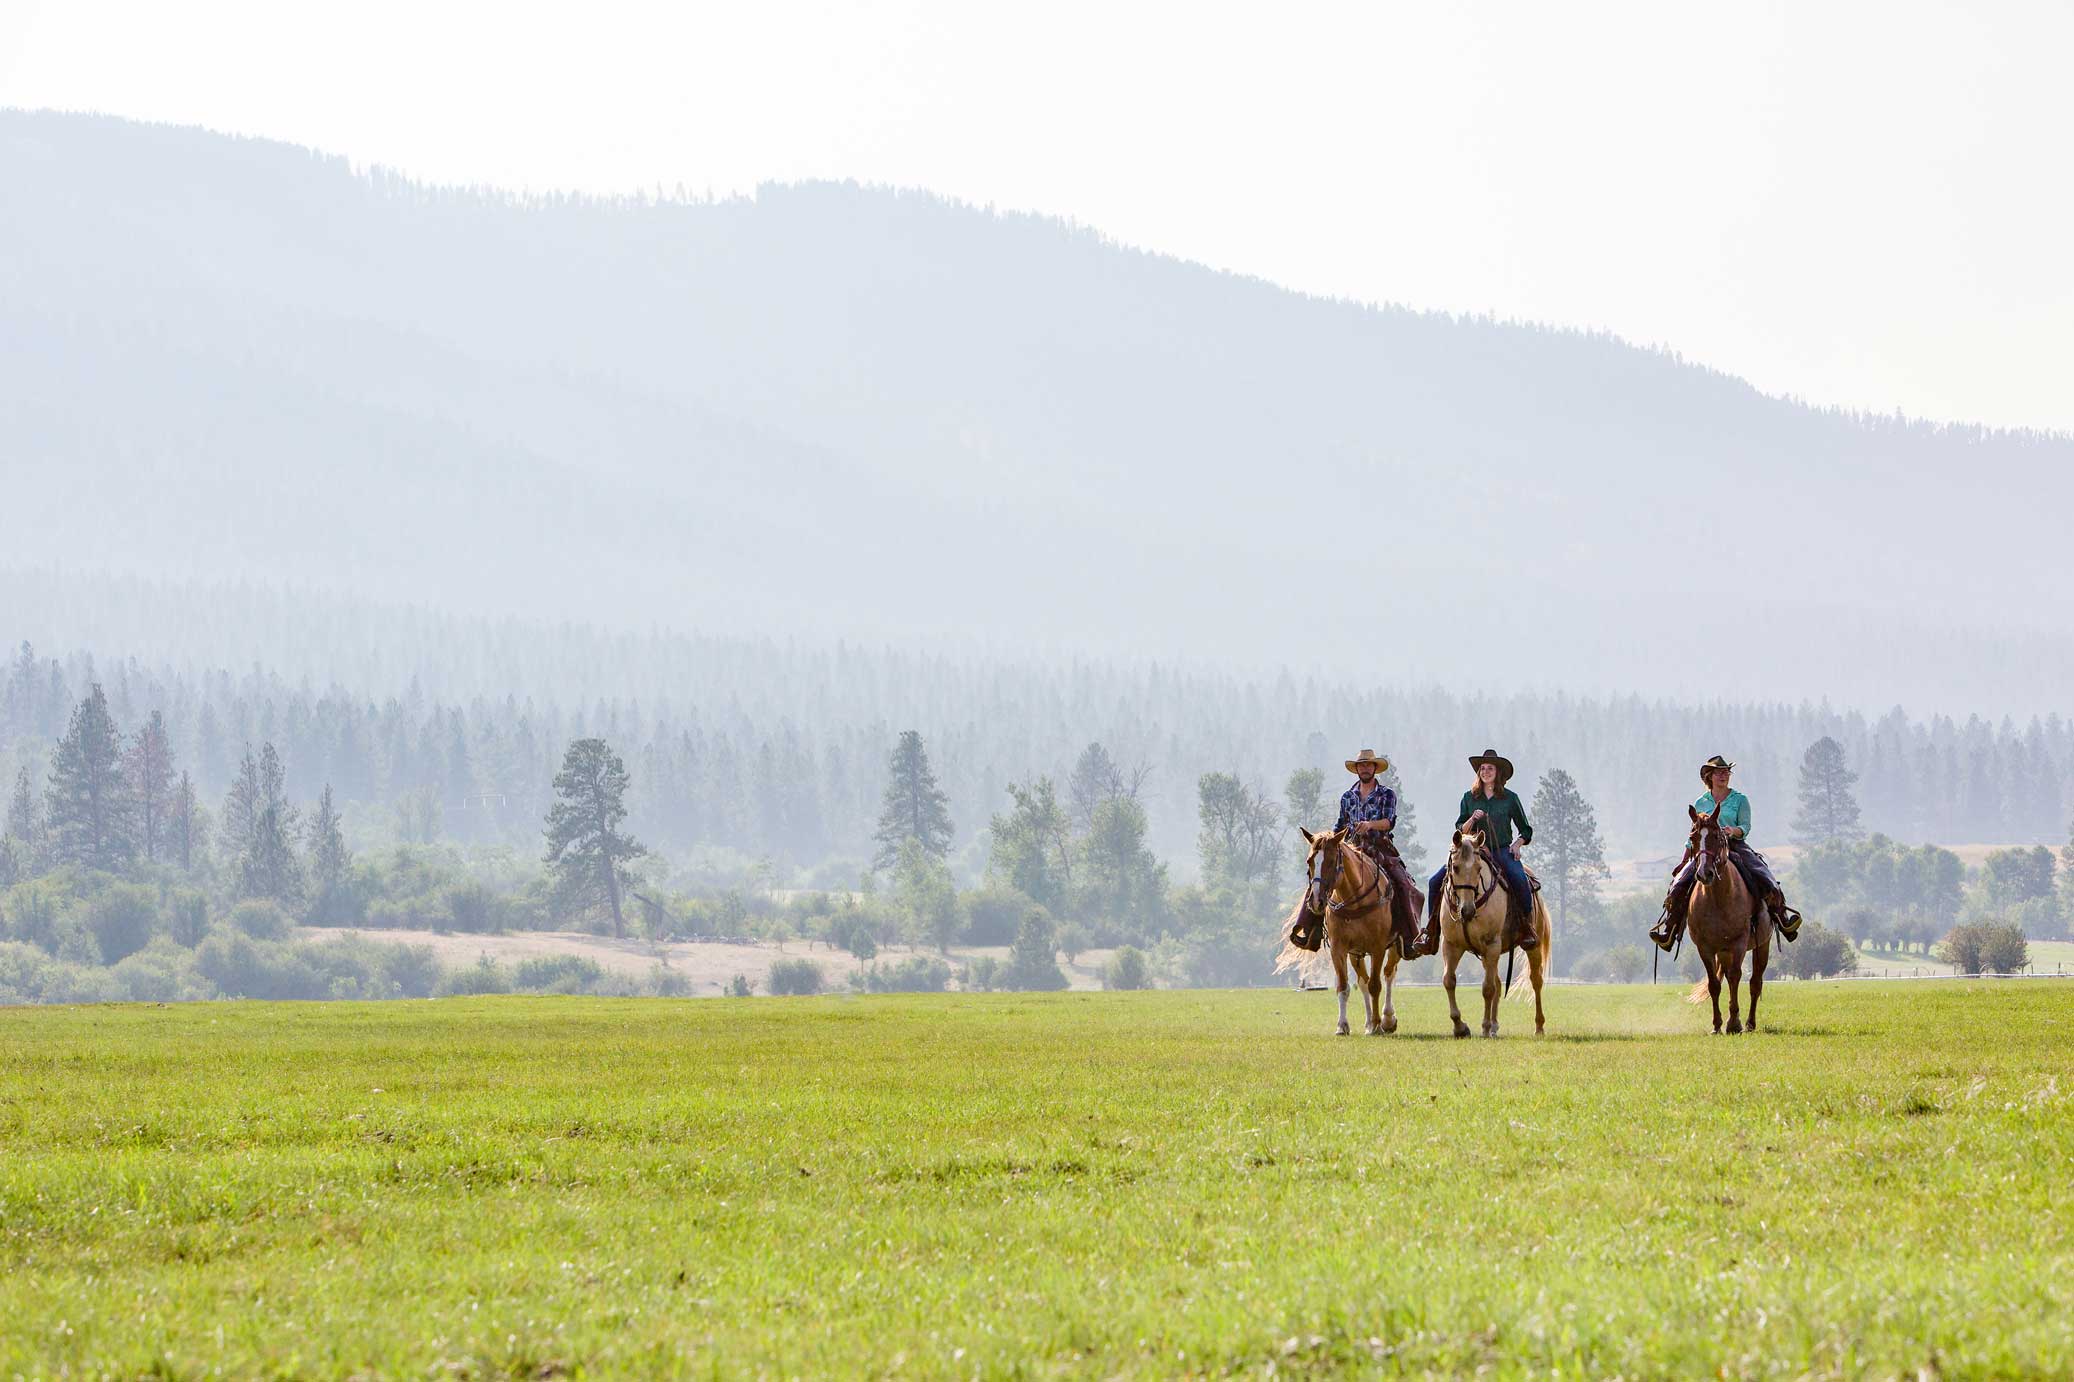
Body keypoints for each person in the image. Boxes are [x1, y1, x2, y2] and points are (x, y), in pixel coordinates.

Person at [1649, 755, 1803, 951]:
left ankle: (1783, 919)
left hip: (1735, 845)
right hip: (1705, 849)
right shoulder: (1701, 802)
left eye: (1726, 772)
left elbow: (1745, 826)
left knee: (1765, 876)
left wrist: (1733, 831)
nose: (1724, 775)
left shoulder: (1740, 799)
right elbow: (1694, 836)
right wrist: (1684, 861)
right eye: (1719, 772)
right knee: (1678, 885)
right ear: (1710, 776)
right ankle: (1669, 930)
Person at [1423, 749, 1534, 945]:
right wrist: (1472, 819)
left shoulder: (1510, 798)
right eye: (1482, 768)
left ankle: (1526, 928)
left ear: (1498, 773)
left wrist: (1517, 844)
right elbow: (1460, 828)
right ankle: (1432, 931)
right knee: (1434, 882)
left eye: (1490, 768)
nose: (1485, 772)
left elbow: (1525, 829)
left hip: (1501, 849)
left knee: (1519, 879)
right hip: (1471, 850)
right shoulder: (1468, 798)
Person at [1333, 749, 1425, 955]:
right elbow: (1340, 824)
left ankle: (1410, 937)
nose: (1365, 768)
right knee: (1321, 877)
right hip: (1350, 849)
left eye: (1368, 765)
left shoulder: (1387, 794)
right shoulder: (1347, 797)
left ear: (1375, 768)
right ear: (1356, 769)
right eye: (1361, 765)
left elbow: (1389, 822)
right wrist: (1329, 842)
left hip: (1378, 848)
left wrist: (1370, 825)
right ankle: (1310, 930)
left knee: (1402, 883)